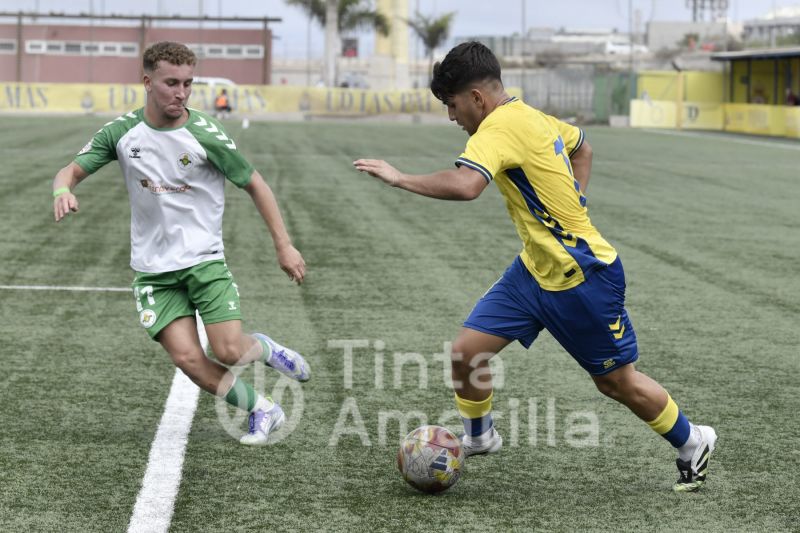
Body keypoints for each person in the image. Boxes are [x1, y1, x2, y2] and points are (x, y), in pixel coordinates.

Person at [354, 41, 716, 492]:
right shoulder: (530, 116)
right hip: (533, 271)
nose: (452, 117)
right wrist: (575, 203)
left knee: (617, 384)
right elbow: (583, 148)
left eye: (452, 105)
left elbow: (468, 186)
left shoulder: (499, 128)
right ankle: (480, 438)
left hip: (582, 278)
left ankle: (692, 441)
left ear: (477, 99)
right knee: (466, 353)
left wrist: (399, 176)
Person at [52, 41, 310, 446]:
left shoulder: (205, 134)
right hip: (154, 271)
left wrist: (284, 246)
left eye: (188, 83)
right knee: (189, 359)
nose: (181, 92)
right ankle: (264, 409)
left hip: (204, 262)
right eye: (172, 82)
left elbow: (255, 184)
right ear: (147, 81)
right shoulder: (122, 133)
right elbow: (68, 172)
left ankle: (264, 348)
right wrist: (61, 192)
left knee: (228, 350)